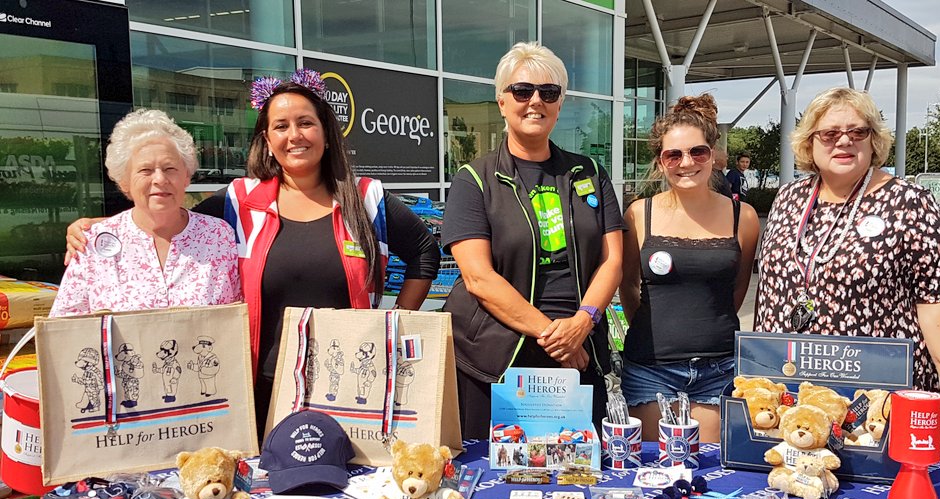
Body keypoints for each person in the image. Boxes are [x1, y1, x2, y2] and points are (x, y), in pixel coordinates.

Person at [65, 70, 440, 442]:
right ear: (267, 139)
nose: (294, 135)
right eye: (281, 126)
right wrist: (103, 227)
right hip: (261, 386)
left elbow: (424, 251)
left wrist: (393, 324)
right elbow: (164, 215)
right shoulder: (238, 201)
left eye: (306, 123)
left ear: (326, 133)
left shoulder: (365, 199)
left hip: (347, 382)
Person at [441, 42, 624, 440]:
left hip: (578, 353)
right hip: (495, 357)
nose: (535, 101)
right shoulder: (474, 179)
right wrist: (557, 337)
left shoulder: (589, 171)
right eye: (522, 91)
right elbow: (478, 278)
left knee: (575, 472)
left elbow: (612, 261)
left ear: (560, 104)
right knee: (491, 474)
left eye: (549, 92)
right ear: (502, 101)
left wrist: (581, 324)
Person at [755, 87, 940, 409]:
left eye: (857, 131)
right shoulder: (789, 198)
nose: (844, 141)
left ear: (874, 139)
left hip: (875, 387)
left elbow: (935, 296)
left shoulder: (909, 202)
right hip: (790, 381)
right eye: (830, 133)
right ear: (809, 142)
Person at [619, 95, 759, 442]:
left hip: (721, 368)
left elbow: (737, 290)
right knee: (651, 474)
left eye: (698, 152)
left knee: (709, 476)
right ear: (660, 161)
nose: (687, 163)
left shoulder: (744, 217)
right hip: (651, 369)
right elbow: (628, 288)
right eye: (674, 155)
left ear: (713, 156)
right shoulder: (639, 214)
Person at [51, 108, 240, 317]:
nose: (159, 179)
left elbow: (238, 318)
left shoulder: (219, 236)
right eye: (145, 170)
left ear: (186, 176)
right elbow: (64, 328)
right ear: (124, 182)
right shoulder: (92, 242)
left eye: (170, 169)